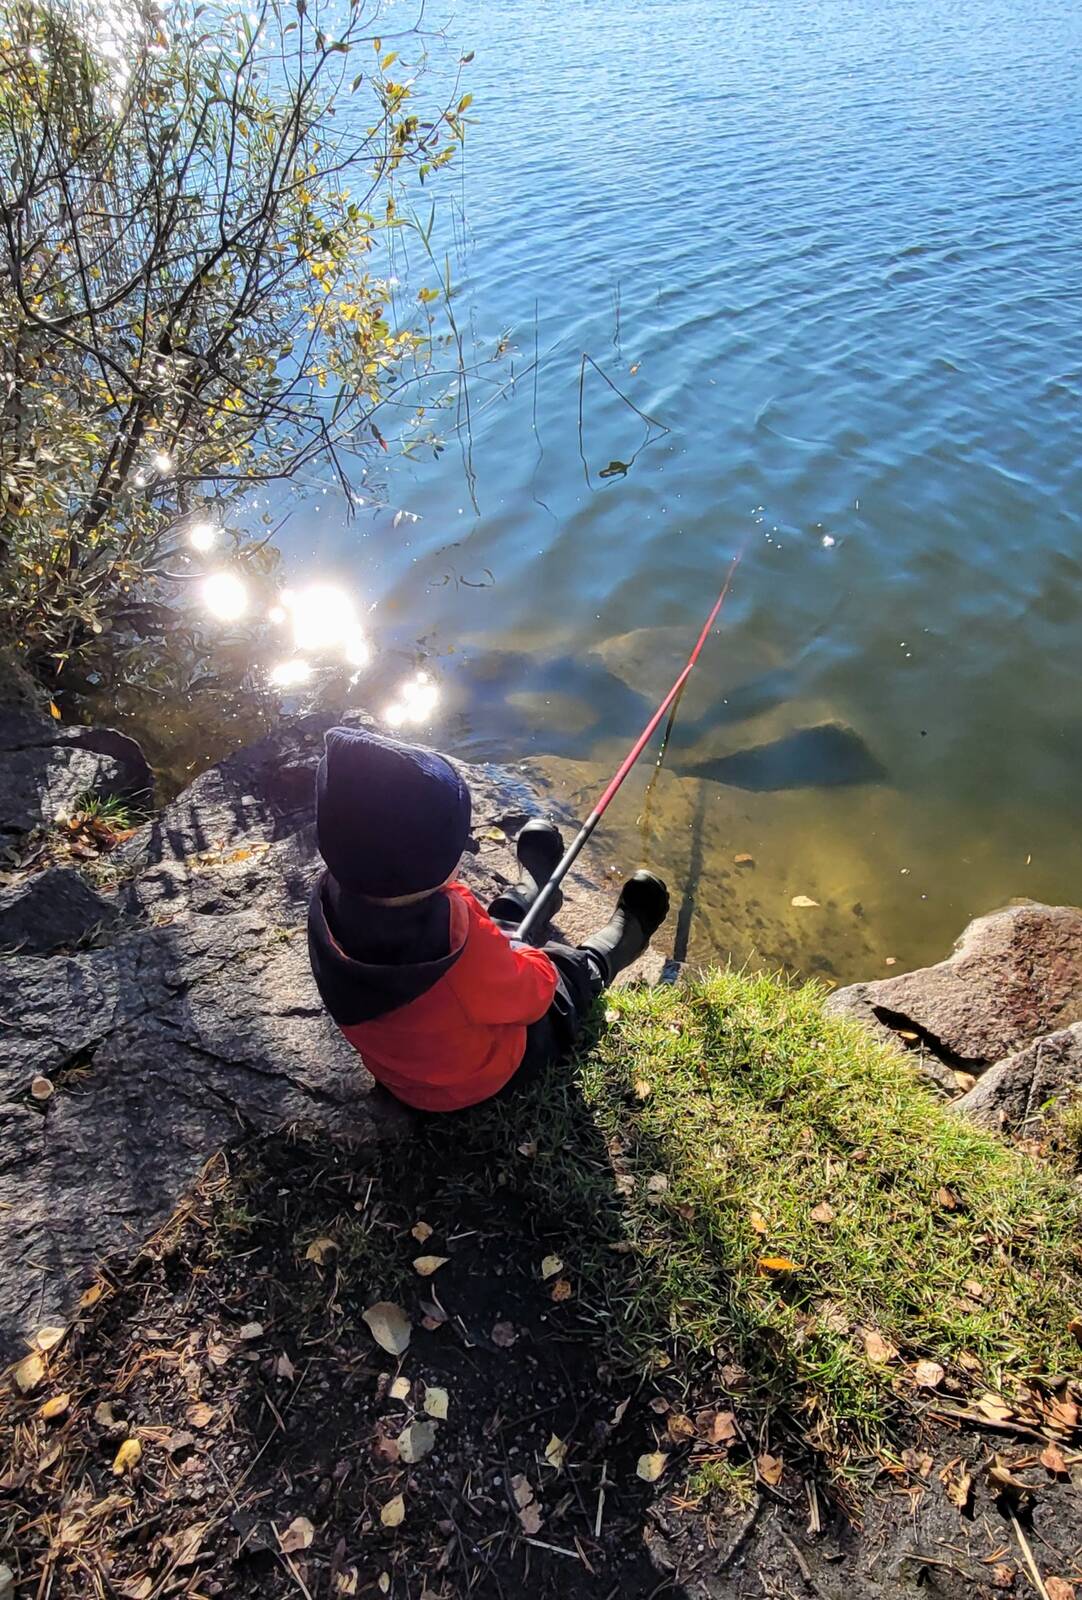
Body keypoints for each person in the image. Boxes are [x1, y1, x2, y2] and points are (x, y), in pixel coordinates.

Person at [307, 724, 669, 1112]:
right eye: (456, 846)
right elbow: (535, 994)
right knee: (564, 976)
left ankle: (536, 894)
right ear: (427, 868)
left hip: (406, 1078)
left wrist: (495, 948)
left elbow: (476, 958)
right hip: (484, 1079)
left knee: (496, 927)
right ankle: (612, 950)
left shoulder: (325, 908)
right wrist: (529, 959)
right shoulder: (456, 949)